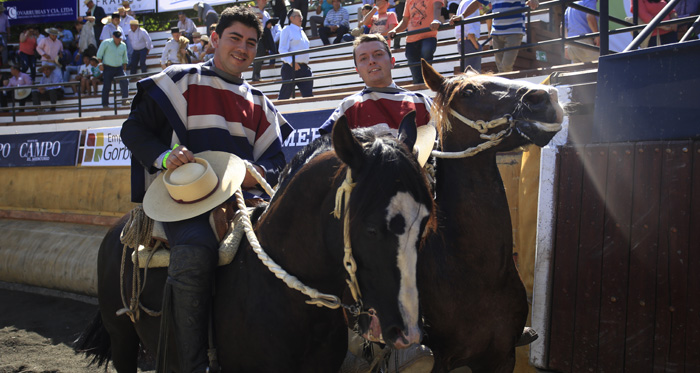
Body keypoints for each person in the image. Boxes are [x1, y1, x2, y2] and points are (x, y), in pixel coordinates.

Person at [120, 6, 291, 371]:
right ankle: (194, 364)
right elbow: (132, 131)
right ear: (214, 39)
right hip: (187, 201)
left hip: (246, 199)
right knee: (197, 250)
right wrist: (165, 157)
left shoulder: (262, 103)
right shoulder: (178, 80)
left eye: (250, 42)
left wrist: (255, 170)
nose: (242, 48)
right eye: (234, 38)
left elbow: (278, 164)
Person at [319, 34, 431, 134]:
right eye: (363, 58)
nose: (371, 61)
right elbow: (326, 147)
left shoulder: (421, 102)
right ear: (357, 70)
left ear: (392, 62)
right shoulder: (348, 106)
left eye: (378, 54)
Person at [454, 0, 539, 73]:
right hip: (496, 33)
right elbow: (477, 3)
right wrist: (462, 16)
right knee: (502, 68)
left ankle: (506, 88)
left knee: (506, 67)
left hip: (514, 31)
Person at [387, 0, 443, 83]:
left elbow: (437, 7)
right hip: (411, 40)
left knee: (426, 54)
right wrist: (395, 30)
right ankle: (421, 85)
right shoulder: (408, 1)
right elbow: (405, 21)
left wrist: (436, 20)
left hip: (428, 36)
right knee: (415, 73)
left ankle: (428, 82)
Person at [278, 8, 313, 99]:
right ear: (291, 18)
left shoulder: (302, 32)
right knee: (284, 95)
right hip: (291, 67)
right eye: (298, 15)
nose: (301, 17)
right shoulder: (287, 29)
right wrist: (291, 62)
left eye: (301, 15)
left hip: (304, 68)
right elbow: (282, 49)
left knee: (309, 96)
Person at [96, 30, 128, 108]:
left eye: (119, 38)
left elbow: (125, 58)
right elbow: (99, 54)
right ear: (113, 37)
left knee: (124, 81)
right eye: (117, 38)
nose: (118, 39)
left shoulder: (123, 45)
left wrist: (124, 68)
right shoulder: (106, 43)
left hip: (119, 67)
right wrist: (100, 64)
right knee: (107, 85)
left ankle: (125, 99)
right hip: (108, 67)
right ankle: (105, 104)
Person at [450, 0, 483, 72]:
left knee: (468, 74)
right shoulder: (470, 3)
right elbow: (468, 26)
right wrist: (476, 45)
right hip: (469, 42)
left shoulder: (463, 2)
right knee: (473, 75)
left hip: (463, 41)